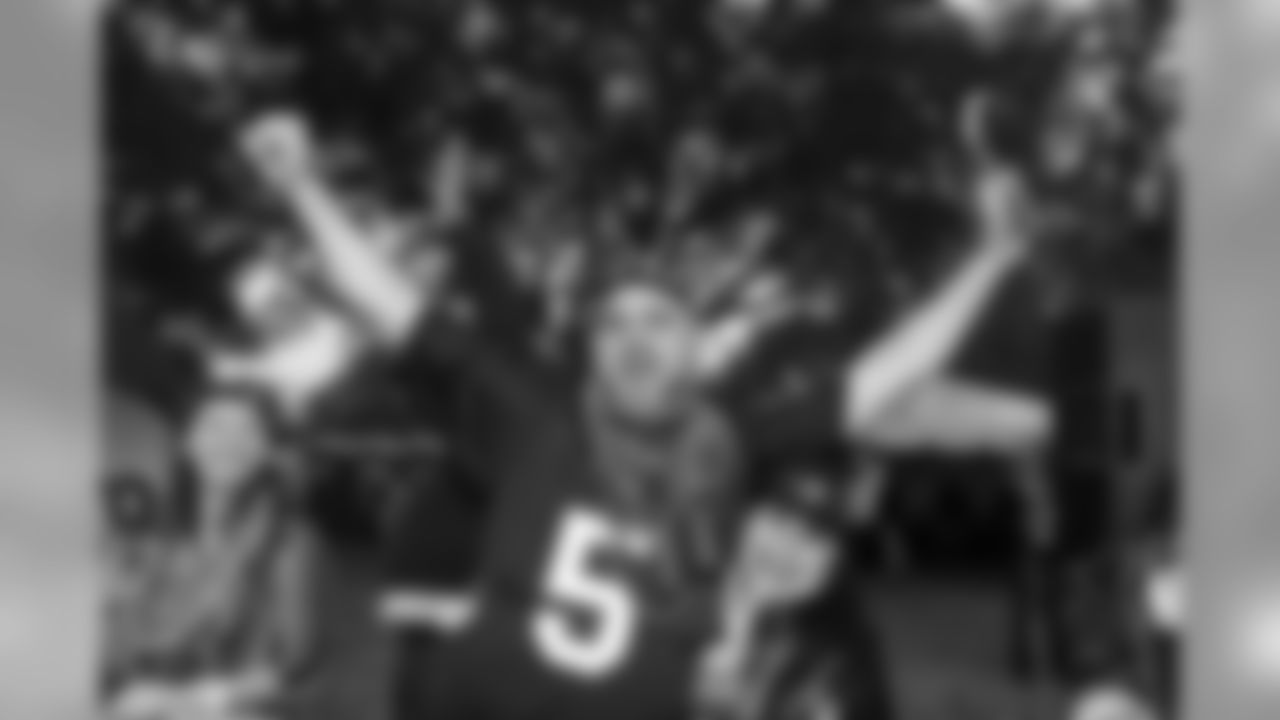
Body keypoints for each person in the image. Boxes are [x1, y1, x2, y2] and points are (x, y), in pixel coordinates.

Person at [240, 107, 1032, 720]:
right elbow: (397, 308)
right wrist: (303, 187)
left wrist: (994, 259)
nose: (635, 340)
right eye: (614, 325)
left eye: (660, 322)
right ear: (592, 352)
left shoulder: (729, 443)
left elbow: (882, 376)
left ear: (695, 349)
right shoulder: (532, 419)